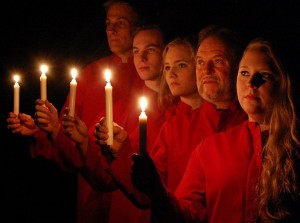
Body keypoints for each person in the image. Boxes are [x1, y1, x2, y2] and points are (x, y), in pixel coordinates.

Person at [132, 38, 300, 222]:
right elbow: (186, 213)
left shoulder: (294, 145)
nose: (251, 82)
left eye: (265, 75)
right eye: (244, 73)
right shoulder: (209, 148)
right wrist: (158, 193)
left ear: (284, 82)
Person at [7, 1, 145, 222]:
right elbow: (67, 139)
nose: (111, 30)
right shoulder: (89, 75)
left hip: (135, 201)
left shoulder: (152, 78)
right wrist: (41, 132)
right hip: (92, 196)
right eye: (108, 23)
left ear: (137, 28)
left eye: (121, 23)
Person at [59, 24, 168, 223]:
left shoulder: (176, 108)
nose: (141, 58)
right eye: (136, 51)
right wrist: (81, 140)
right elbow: (103, 174)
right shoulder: (121, 106)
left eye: (150, 50)